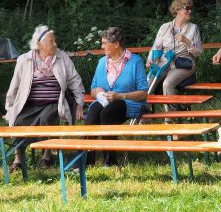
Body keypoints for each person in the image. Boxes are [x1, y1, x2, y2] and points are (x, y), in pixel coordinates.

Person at [4, 25, 84, 171]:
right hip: (30, 104)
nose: (55, 44)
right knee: (18, 120)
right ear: (39, 43)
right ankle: (19, 159)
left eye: (54, 41)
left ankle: (47, 156)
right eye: (51, 41)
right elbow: (14, 86)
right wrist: (10, 109)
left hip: (54, 103)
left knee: (47, 118)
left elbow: (75, 80)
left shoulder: (62, 57)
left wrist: (79, 103)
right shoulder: (24, 60)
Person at [86, 27, 148, 164]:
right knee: (93, 113)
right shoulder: (102, 62)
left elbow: (143, 92)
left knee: (107, 113)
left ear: (116, 44)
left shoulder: (135, 61)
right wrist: (98, 91)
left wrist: (120, 96)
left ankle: (110, 160)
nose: (102, 46)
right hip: (104, 102)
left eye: (104, 43)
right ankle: (85, 160)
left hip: (128, 103)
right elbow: (92, 90)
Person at [147, 0, 202, 100]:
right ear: (177, 10)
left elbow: (198, 51)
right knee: (147, 84)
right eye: (187, 8)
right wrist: (150, 60)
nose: (190, 11)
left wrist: (186, 41)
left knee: (167, 84)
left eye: (190, 9)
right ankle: (145, 115)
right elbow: (156, 47)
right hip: (164, 62)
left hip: (183, 64)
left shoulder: (193, 28)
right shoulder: (165, 27)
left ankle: (170, 116)